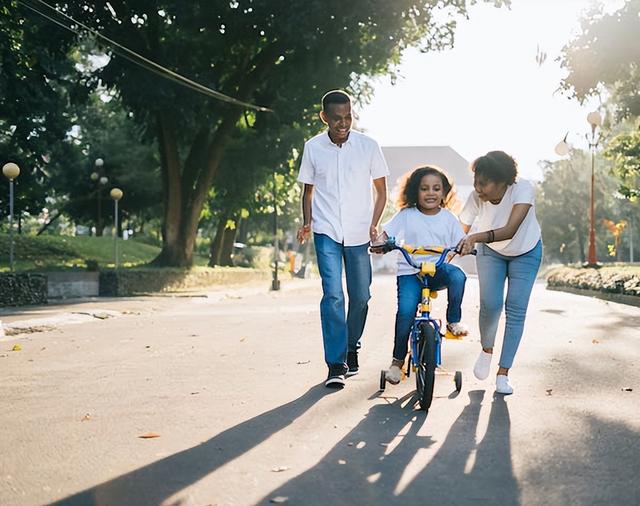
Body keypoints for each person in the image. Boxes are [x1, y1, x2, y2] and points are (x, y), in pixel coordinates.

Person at [297, 90, 389, 388]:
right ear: (324, 117)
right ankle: (336, 363)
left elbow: (382, 191)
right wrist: (307, 222)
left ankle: (352, 346)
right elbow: (308, 191)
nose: (343, 123)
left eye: (348, 116)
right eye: (337, 118)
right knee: (333, 295)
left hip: (360, 232)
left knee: (361, 296)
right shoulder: (313, 147)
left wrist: (374, 224)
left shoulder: (368, 146)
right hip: (326, 230)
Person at [372, 165, 468, 385]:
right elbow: (387, 234)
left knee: (458, 276)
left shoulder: (449, 218)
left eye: (436, 188)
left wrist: (465, 246)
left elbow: (460, 241)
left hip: (437, 270)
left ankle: (453, 321)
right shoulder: (407, 215)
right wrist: (380, 243)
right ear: (415, 191)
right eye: (424, 188)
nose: (431, 193)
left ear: (444, 193)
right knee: (406, 312)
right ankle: (397, 362)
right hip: (410, 271)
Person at [457, 150, 542, 395]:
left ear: (503, 181)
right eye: (476, 181)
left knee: (515, 309)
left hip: (526, 251)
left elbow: (511, 230)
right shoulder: (477, 197)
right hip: (491, 253)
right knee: (490, 305)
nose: (478, 188)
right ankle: (486, 350)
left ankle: (503, 373)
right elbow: (460, 230)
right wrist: (453, 248)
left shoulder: (522, 189)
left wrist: (475, 237)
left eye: (483, 183)